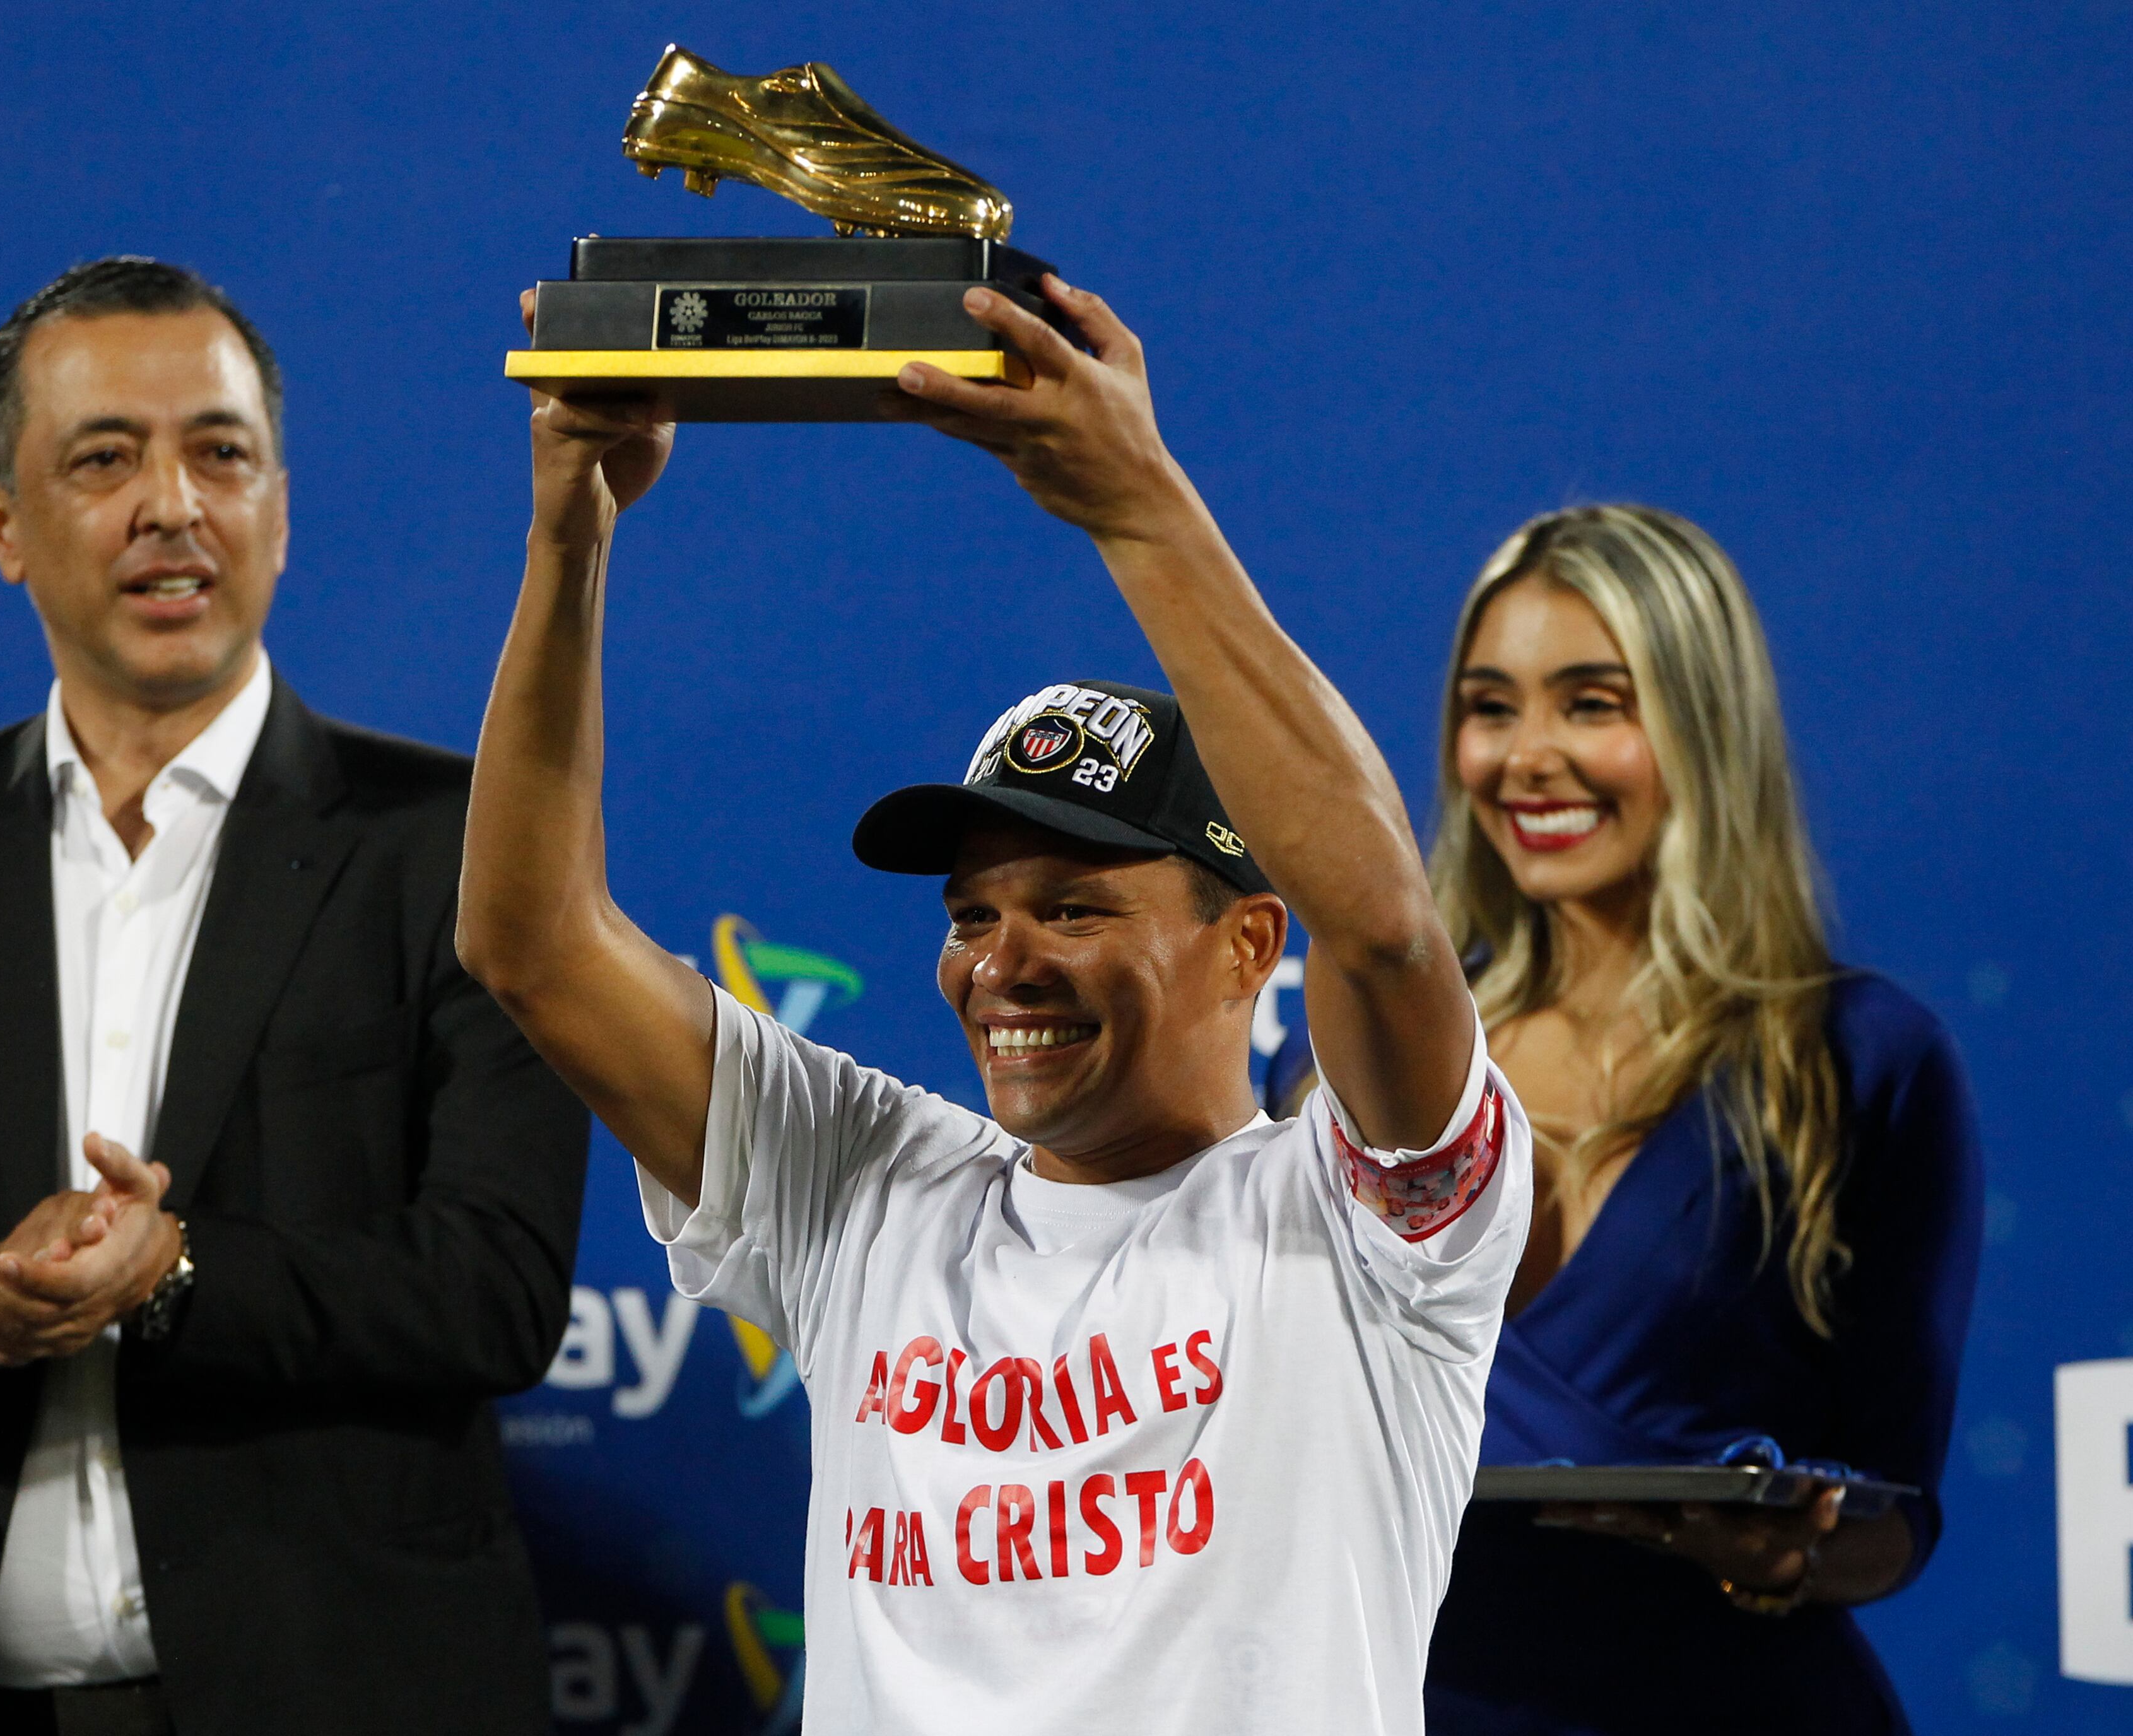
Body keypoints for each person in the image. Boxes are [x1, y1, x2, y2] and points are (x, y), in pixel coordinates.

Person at [457, 278, 1534, 1733]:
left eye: (1076, 906)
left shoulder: (1370, 1228)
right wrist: (570, 533)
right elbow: (532, 943)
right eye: (973, 914)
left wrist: (1141, 511)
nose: (1003, 961)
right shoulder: (869, 1190)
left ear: (1246, 945)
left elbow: (1392, 936)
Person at [0, 257, 590, 1736]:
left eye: (218, 452)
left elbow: (495, 1283)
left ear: (280, 507)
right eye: (105, 458)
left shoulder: (457, 843)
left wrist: (174, 1272)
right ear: (2, 525)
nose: (172, 502)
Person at [1268, 505, 1983, 1733]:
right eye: (1491, 708)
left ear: (1704, 725)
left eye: (1592, 704)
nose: (1525, 756)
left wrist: (1778, 1552)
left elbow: (1899, 1510)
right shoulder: (1352, 1054)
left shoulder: (1860, 1059)